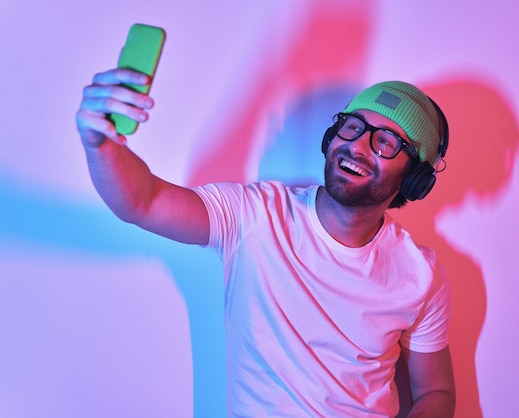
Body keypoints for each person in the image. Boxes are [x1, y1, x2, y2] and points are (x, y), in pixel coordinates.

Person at [76, 69, 456, 417]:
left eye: (385, 142)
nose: (357, 146)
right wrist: (101, 145)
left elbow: (435, 392)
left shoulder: (421, 274)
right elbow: (144, 201)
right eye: (352, 127)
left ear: (415, 179)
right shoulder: (255, 215)